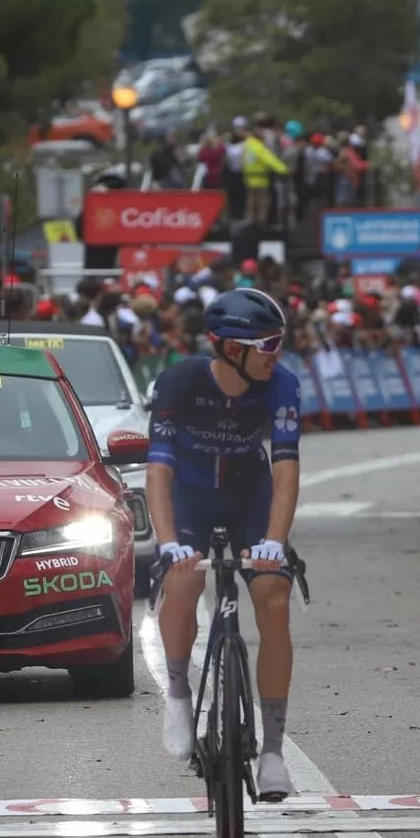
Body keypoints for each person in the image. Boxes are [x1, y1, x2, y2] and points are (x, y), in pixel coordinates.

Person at [148, 288, 303, 800]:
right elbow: (158, 473)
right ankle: (176, 693)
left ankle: (274, 752)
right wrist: (169, 544)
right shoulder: (180, 382)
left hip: (247, 497)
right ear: (232, 347)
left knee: (273, 597)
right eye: (269, 343)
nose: (276, 352)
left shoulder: (281, 384)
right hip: (190, 499)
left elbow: (284, 469)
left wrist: (276, 543)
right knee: (184, 577)